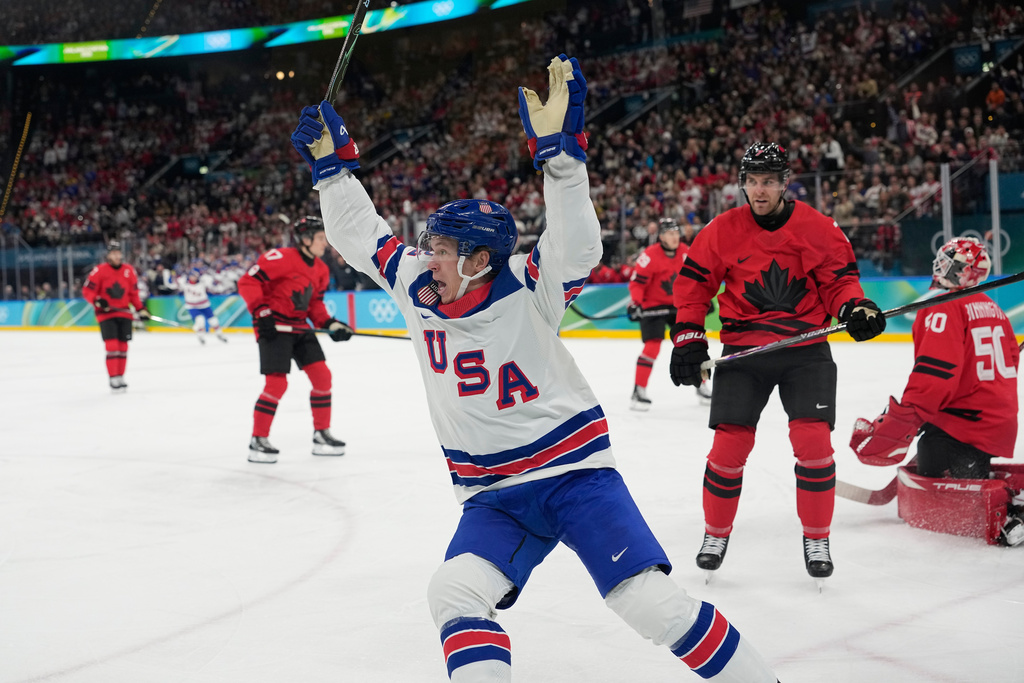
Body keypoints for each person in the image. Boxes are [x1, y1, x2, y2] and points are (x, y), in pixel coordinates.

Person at [293, 55, 778, 683]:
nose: (426, 254)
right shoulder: (417, 281)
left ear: (478, 259)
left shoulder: (529, 285)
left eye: (442, 247)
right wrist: (332, 172)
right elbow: (361, 234)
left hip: (575, 476)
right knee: (453, 594)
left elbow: (577, 242)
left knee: (650, 606)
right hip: (493, 497)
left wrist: (562, 158)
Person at [669, 141, 887, 584]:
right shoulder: (722, 229)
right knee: (728, 449)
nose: (759, 190)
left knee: (813, 446)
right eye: (752, 181)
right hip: (744, 353)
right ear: (743, 184)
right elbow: (694, 285)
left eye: (768, 181)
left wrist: (852, 309)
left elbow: (839, 281)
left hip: (805, 351)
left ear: (785, 183)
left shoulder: (818, 227)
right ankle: (716, 533)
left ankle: (817, 537)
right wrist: (688, 336)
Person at [850, 237, 1023, 546]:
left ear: (960, 271)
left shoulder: (942, 306)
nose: (939, 268)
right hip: (994, 420)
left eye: (947, 263)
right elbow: (1004, 367)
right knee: (943, 445)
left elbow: (935, 374)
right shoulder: (994, 309)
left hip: (964, 427)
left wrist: (906, 418)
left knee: (935, 456)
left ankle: (1000, 515)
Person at [236, 216, 354, 464]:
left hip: (299, 327)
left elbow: (315, 306)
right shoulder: (280, 258)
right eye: (321, 238)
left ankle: (321, 434)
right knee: (276, 385)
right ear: (305, 239)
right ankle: (258, 439)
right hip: (274, 327)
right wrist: (261, 311)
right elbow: (248, 282)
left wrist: (330, 324)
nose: (325, 244)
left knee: (323, 377)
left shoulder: (321, 269)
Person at [627, 217, 710, 410]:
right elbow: (637, 283)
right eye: (670, 234)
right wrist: (636, 303)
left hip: (676, 306)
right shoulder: (649, 255)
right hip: (652, 308)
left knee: (692, 343)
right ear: (662, 236)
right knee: (652, 347)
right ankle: (638, 390)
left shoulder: (685, 252)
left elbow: (694, 279)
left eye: (676, 233)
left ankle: (702, 385)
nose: (675, 237)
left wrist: (701, 297)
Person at [81, 241, 150, 392]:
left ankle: (120, 377)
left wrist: (141, 309)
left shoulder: (129, 271)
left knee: (123, 346)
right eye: (113, 253)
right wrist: (97, 300)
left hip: (124, 312)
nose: (117, 255)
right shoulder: (99, 271)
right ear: (108, 255)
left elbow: (133, 294)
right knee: (112, 346)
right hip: (106, 313)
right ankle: (113, 378)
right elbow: (87, 291)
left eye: (118, 253)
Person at [177, 267, 228, 344]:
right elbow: (176, 284)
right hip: (192, 306)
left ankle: (219, 334)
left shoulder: (203, 283)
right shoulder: (185, 283)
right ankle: (200, 336)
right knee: (200, 321)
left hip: (204, 305)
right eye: (191, 275)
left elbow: (214, 286)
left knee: (213, 321)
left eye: (194, 276)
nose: (192, 277)